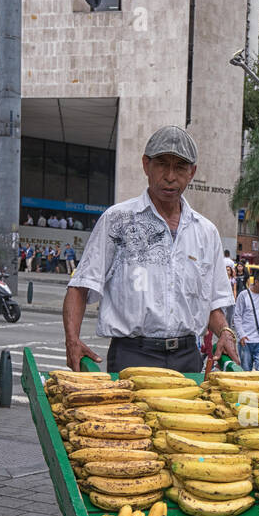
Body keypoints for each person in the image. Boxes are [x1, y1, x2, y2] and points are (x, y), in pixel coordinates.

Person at [63, 126, 237, 372]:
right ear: (146, 165)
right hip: (132, 355)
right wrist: (72, 340)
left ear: (192, 173)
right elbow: (80, 287)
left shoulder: (206, 232)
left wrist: (225, 332)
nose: (169, 176)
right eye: (162, 164)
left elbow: (212, 304)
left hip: (188, 358)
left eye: (180, 167)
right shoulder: (118, 220)